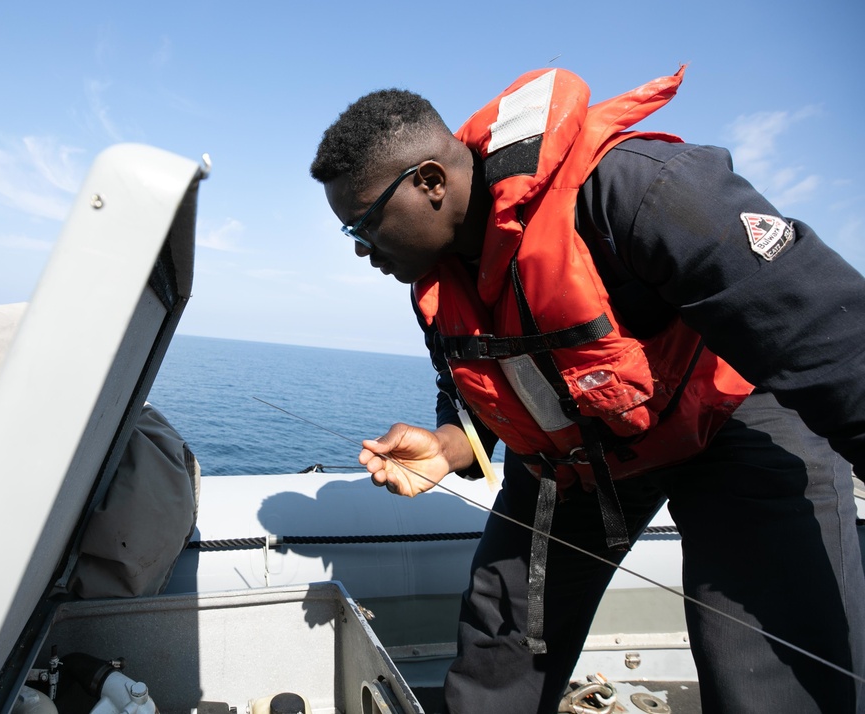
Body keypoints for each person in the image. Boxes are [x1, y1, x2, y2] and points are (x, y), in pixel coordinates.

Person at [310, 66, 865, 714]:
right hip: (579, 455)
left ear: (430, 183)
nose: (359, 250)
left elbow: (826, 336)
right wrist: (447, 444)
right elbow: (473, 400)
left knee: (772, 674)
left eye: (362, 225)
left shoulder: (634, 190)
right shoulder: (435, 284)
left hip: (727, 415)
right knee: (499, 652)